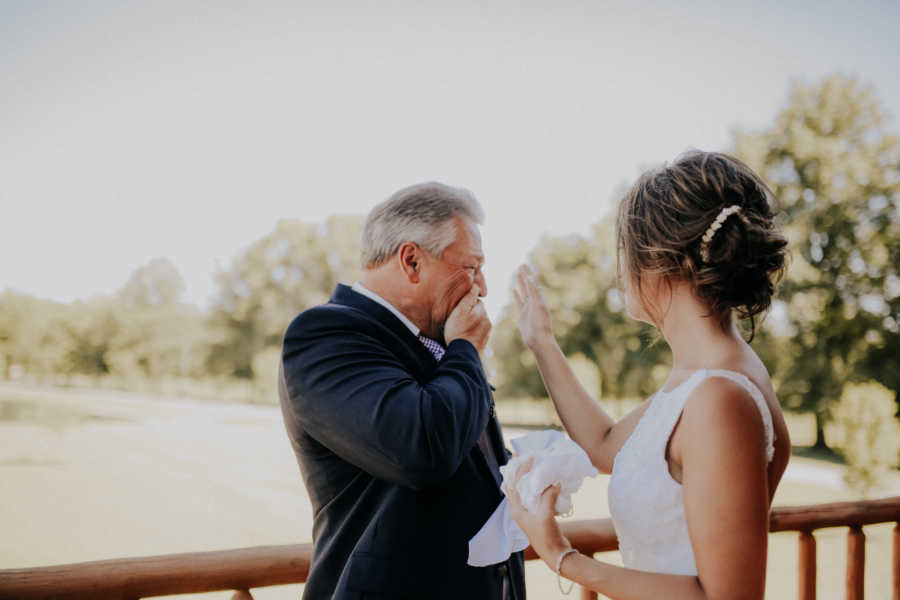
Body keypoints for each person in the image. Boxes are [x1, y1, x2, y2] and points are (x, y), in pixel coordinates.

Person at [506, 151, 791, 599]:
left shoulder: (720, 397)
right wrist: (542, 342)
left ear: (664, 262)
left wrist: (562, 556)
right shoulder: (704, 376)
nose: (621, 270)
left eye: (626, 251)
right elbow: (605, 448)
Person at [278, 182, 526, 599]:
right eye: (471, 266)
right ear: (411, 261)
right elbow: (422, 447)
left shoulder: (440, 343)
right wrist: (466, 349)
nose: (481, 286)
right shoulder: (325, 336)